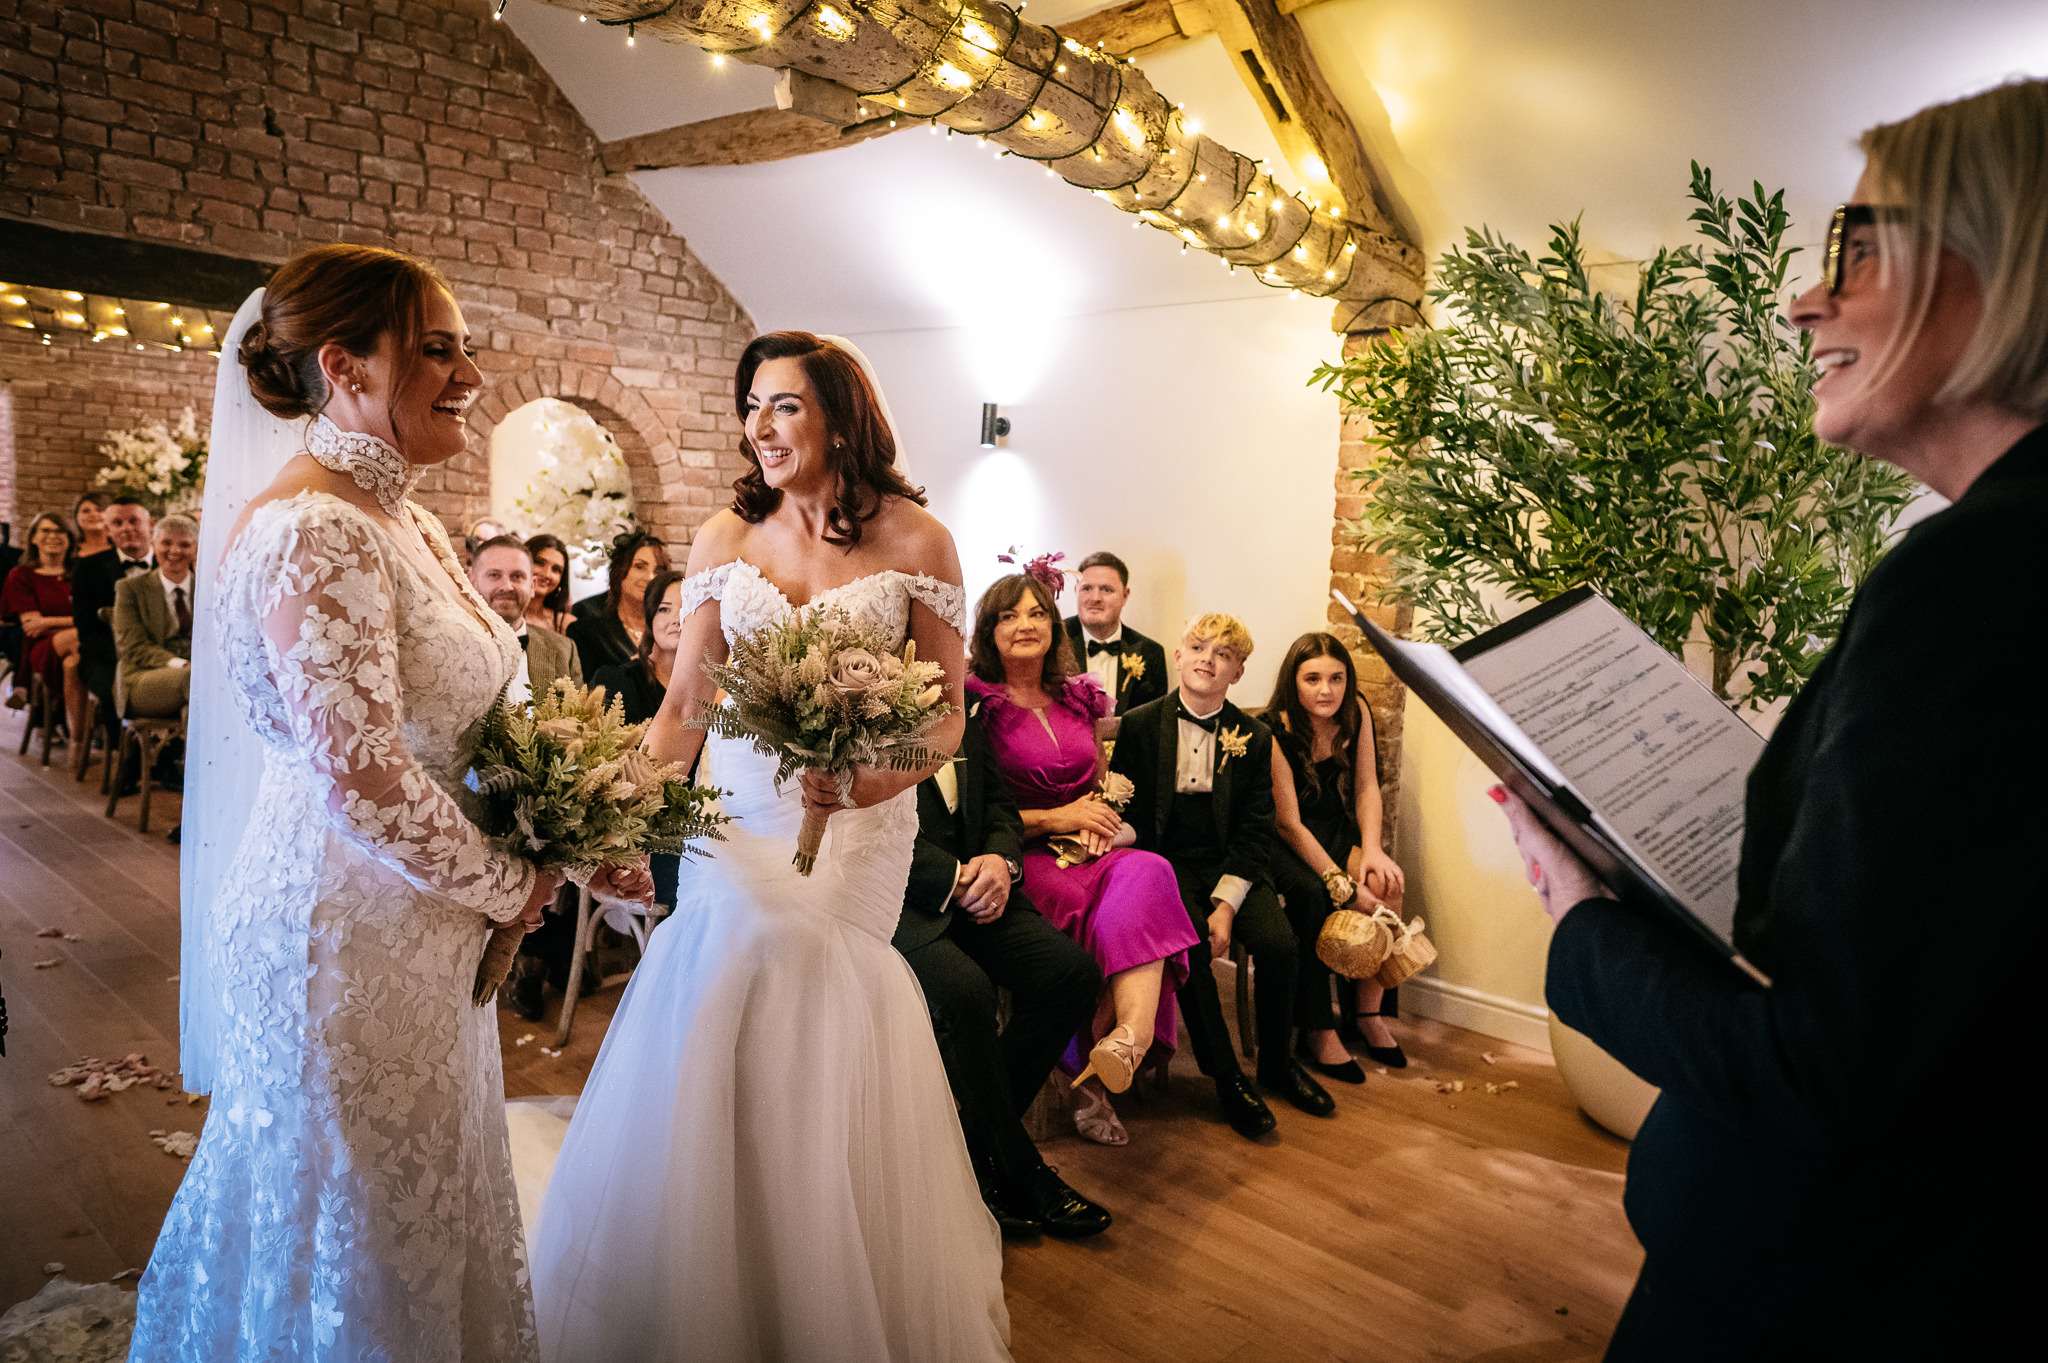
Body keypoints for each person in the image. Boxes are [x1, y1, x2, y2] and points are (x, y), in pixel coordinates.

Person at [1491, 81, 2048, 1360]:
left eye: (1855, 250)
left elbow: (1810, 1066)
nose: (1804, 298)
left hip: (1833, 1282)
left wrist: (1579, 920)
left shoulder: (1975, 577)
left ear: (2005, 260)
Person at [129, 243, 647, 1361]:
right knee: (353, 1220)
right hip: (342, 937)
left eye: (465, 348)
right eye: (439, 350)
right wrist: (514, 884)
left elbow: (462, 719)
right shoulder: (317, 529)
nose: (469, 375)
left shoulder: (400, 517)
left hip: (419, 926)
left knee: (413, 1203)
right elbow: (361, 780)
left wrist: (574, 833)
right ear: (345, 365)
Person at [531, 331, 1011, 1361]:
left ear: (840, 416)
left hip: (860, 822)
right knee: (728, 969)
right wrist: (614, 811)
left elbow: (942, 721)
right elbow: (680, 710)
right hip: (736, 813)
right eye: (752, 405)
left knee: (821, 996)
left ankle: (826, 1287)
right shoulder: (722, 535)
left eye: (782, 404)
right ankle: (715, 1274)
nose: (759, 425)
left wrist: (869, 775)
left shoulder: (918, 541)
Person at [965, 570, 1196, 1146]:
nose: (1025, 625)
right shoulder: (974, 705)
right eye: (1009, 616)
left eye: (1037, 613)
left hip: (1084, 848)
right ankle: (1091, 1084)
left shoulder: (1077, 698)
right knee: (1084, 905)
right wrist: (1056, 820)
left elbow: (1096, 783)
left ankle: (1127, 1039)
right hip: (1020, 856)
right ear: (988, 631)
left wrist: (1096, 821)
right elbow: (971, 818)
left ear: (1054, 624)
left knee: (1151, 870)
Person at [1110, 614, 1336, 1138]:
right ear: (1179, 655)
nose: (1208, 658)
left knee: (1279, 946)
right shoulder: (1141, 725)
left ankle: (1278, 1063)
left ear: (1237, 673)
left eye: (1223, 654)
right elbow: (1126, 809)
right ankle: (1227, 1076)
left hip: (1230, 864)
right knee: (1190, 949)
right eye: (1198, 646)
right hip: (1164, 865)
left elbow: (1256, 831)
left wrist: (1228, 903)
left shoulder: (1253, 738)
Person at [896, 704, 1111, 1236]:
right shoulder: (859, 710)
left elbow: (998, 803)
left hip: (984, 892)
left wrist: (1000, 862)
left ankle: (971, 1147)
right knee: (968, 994)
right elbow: (856, 826)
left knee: (1072, 974)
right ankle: (1024, 1171)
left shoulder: (960, 710)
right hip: (904, 903)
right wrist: (951, 876)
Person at [1263, 633, 1409, 1079]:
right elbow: (1288, 823)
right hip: (1286, 838)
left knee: (1387, 886)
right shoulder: (1273, 728)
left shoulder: (1356, 710)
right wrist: (1343, 886)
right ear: (1294, 681)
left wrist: (1375, 850)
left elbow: (1366, 786)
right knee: (1313, 897)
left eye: (1336, 678)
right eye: (1312, 679)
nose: (1326, 690)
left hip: (1333, 826)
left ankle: (1367, 1014)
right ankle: (1316, 1025)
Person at [73, 495, 155, 757]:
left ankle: (170, 759)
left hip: (162, 655)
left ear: (151, 524)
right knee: (116, 688)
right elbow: (87, 629)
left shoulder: (172, 563)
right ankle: (125, 763)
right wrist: (127, 656)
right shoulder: (88, 569)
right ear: (108, 530)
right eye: (117, 523)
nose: (126, 528)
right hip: (106, 657)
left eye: (133, 520)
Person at [468, 534, 581, 706]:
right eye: (494, 575)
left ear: (532, 585)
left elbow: (578, 721)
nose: (506, 586)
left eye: (517, 576)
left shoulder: (564, 651)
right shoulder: (450, 646)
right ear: (472, 581)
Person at [111, 514, 199, 719]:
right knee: (195, 681)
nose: (175, 551)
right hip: (143, 676)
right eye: (166, 543)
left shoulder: (208, 590)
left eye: (184, 544)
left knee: (197, 699)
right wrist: (183, 665)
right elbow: (134, 646)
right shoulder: (130, 589)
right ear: (153, 544)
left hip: (197, 675)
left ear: (196, 549)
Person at [1, 512, 82, 735]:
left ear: (69, 538)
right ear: (34, 538)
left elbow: (44, 622)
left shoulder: (81, 573)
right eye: (45, 531)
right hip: (37, 647)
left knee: (73, 661)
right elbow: (32, 626)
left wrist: (49, 622)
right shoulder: (21, 575)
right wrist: (79, 623)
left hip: (75, 645)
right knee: (79, 638)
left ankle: (78, 737)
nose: (53, 536)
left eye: (60, 531)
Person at [1063, 550, 1169, 714]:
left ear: (1125, 596)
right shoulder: (1053, 640)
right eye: (1087, 588)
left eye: (1106, 590)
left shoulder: (1151, 653)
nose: (1095, 598)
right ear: (1076, 590)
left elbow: (1153, 724)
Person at [565, 530, 668, 673]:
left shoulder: (670, 625)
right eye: (639, 567)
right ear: (619, 570)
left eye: (658, 570)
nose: (650, 577)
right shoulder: (587, 627)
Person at [524, 531, 574, 634]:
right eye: (539, 563)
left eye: (556, 569)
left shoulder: (566, 625)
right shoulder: (494, 612)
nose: (547, 574)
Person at [73, 492, 111, 559]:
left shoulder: (122, 549)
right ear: (76, 517)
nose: (93, 514)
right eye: (86, 511)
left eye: (99, 510)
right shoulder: (69, 551)